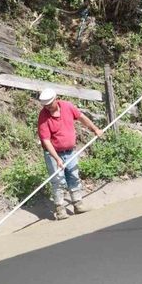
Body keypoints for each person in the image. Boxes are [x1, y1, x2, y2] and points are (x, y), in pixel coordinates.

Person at [37, 88, 103, 220]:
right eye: (46, 106)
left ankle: (78, 204)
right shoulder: (43, 116)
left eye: (50, 105)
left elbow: (82, 118)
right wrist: (57, 159)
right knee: (58, 181)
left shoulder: (67, 106)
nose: (48, 108)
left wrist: (95, 129)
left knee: (74, 176)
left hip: (70, 151)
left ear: (56, 99)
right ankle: (60, 209)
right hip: (53, 154)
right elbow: (46, 140)